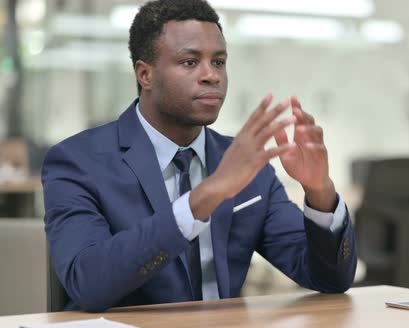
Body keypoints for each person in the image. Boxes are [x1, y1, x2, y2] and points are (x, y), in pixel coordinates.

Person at [42, 0, 356, 312]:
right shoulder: (77, 162)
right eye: (190, 62)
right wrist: (204, 197)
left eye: (218, 62)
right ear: (145, 74)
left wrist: (319, 190)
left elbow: (329, 279)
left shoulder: (245, 164)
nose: (211, 76)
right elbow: (88, 284)